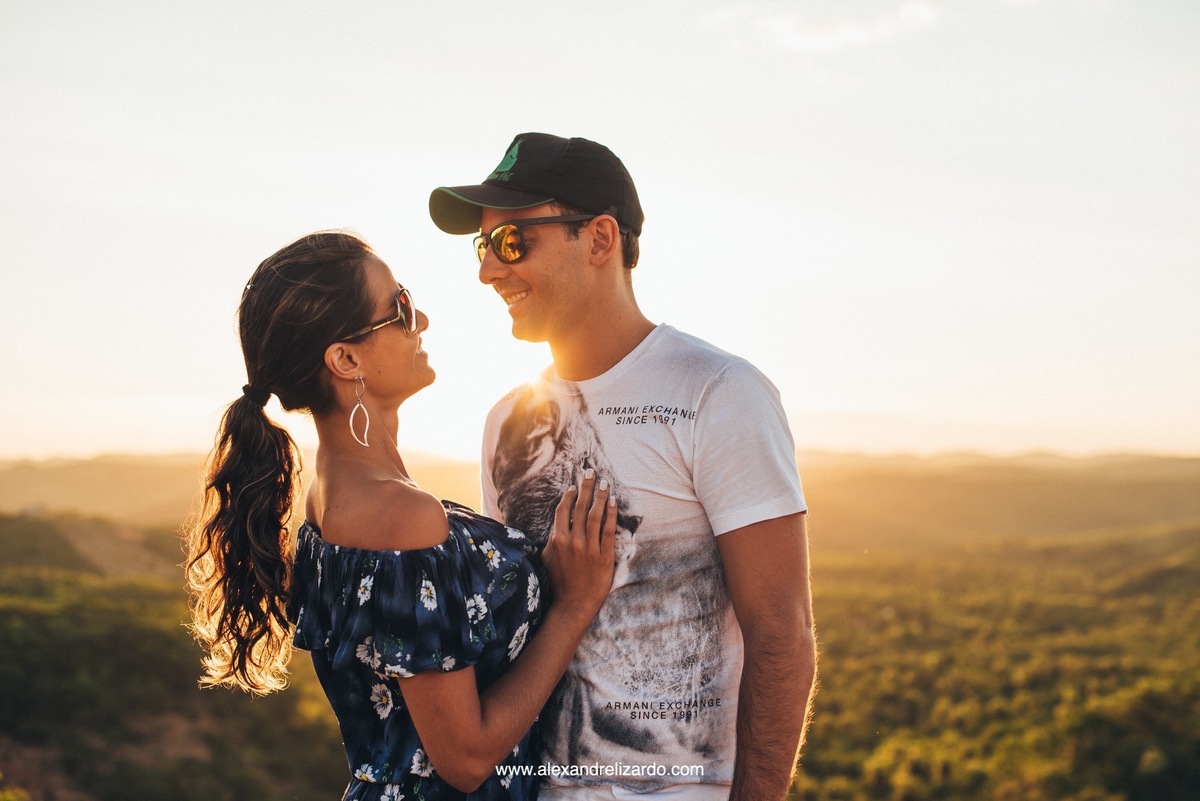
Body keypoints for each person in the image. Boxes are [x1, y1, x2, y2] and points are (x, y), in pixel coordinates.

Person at [428, 134, 817, 801]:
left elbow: (781, 633)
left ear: (600, 238)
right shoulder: (508, 423)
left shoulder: (717, 391)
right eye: (482, 246)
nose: (488, 271)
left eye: (512, 242)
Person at [185, 230, 618, 801]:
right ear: (346, 359)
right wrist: (574, 606)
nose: (423, 322)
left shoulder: (333, 497)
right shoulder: (400, 518)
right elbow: (465, 759)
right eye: (401, 309)